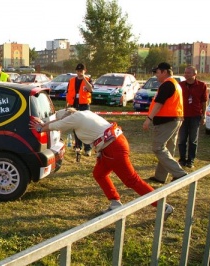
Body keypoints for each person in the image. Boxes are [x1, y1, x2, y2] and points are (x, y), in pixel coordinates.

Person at [30, 108, 174, 218]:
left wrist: (39, 128)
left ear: (69, 117)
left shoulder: (75, 118)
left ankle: (163, 206)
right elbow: (57, 121)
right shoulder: (83, 113)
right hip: (111, 145)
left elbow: (58, 125)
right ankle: (114, 202)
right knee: (99, 173)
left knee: (131, 180)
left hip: (113, 148)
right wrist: (43, 122)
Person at [143, 62, 188, 184]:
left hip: (167, 121)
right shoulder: (174, 84)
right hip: (175, 119)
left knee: (158, 147)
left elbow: (159, 103)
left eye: (157, 72)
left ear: (164, 72)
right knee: (168, 148)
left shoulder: (167, 85)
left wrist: (149, 118)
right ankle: (160, 177)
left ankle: (180, 173)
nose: (156, 75)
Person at [177, 66, 208, 169]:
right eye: (185, 72)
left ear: (195, 74)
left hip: (195, 116)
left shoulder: (202, 86)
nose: (186, 74)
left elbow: (204, 102)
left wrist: (204, 115)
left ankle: (191, 160)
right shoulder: (180, 85)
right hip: (182, 116)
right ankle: (182, 159)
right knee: (182, 139)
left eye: (188, 73)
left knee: (193, 140)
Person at [65, 63, 93, 157]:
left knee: (85, 127)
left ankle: (88, 148)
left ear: (85, 71)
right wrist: (68, 104)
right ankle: (78, 146)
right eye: (78, 71)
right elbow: (68, 93)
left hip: (84, 106)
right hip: (74, 105)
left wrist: (84, 78)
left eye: (81, 71)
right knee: (76, 126)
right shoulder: (72, 80)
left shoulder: (88, 80)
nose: (79, 73)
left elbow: (90, 89)